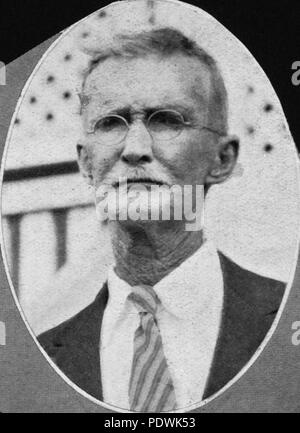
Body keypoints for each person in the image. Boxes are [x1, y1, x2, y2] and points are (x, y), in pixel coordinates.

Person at [38, 28, 285, 412]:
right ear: (86, 163)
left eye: (167, 120)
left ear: (222, 160)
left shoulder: (285, 320)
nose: (135, 149)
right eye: (111, 123)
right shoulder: (40, 357)